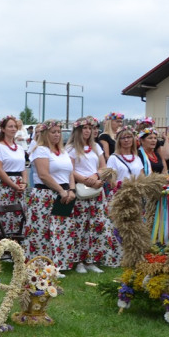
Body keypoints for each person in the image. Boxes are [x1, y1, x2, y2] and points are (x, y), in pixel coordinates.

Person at [66, 115, 119, 272]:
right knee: (80, 225)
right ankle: (79, 261)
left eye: (90, 128)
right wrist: (85, 180)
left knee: (96, 225)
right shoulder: (71, 149)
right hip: (81, 190)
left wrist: (96, 177)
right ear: (77, 130)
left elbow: (103, 166)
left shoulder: (96, 147)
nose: (88, 131)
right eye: (84, 128)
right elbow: (71, 170)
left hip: (96, 188)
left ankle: (92, 259)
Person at [24, 120, 76, 272]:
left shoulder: (63, 151)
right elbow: (43, 174)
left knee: (61, 230)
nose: (57, 135)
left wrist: (71, 190)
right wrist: (60, 191)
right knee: (43, 231)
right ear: (46, 133)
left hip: (65, 194)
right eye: (53, 132)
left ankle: (60, 263)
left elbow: (70, 172)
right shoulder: (40, 150)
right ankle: (42, 264)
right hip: (46, 194)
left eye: (59, 132)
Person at [0, 115, 27, 239]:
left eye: (15, 126)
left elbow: (23, 168)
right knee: (5, 215)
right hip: (6, 184)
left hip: (19, 184)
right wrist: (13, 185)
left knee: (19, 215)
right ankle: (3, 244)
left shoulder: (20, 148)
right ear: (3, 129)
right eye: (10, 126)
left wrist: (24, 183)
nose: (13, 129)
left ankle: (16, 243)